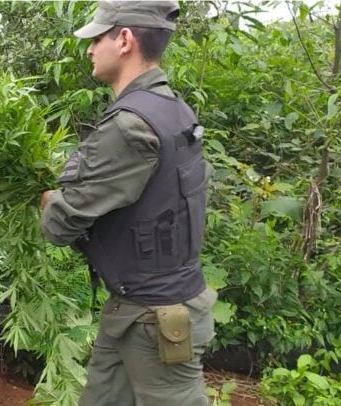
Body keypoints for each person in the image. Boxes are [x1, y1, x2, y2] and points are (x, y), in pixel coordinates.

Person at [40, 1, 217, 405]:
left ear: (124, 40)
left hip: (156, 321)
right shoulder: (173, 109)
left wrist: (46, 197)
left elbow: (60, 225)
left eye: (97, 38)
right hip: (134, 310)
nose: (89, 49)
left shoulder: (131, 125)